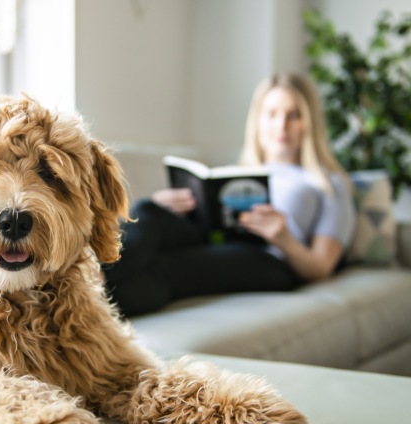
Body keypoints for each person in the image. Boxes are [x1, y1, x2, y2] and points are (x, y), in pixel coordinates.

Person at [103, 73, 356, 317]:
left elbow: (322, 267)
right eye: (271, 114)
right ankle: (90, 279)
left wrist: (284, 239)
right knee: (148, 210)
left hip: (270, 259)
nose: (281, 125)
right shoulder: (240, 172)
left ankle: (82, 298)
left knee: (168, 268)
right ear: (257, 121)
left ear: (310, 123)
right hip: (214, 238)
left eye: (294, 115)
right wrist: (173, 208)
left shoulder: (328, 183)